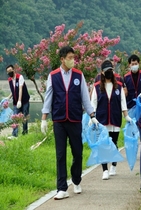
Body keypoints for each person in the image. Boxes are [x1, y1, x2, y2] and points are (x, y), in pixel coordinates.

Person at [40, 46, 95, 200]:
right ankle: (62, 188)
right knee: (60, 154)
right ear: (62, 59)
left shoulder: (78, 75)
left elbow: (85, 96)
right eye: (70, 57)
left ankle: (76, 180)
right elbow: (48, 97)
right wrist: (44, 118)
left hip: (75, 118)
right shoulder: (53, 75)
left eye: (73, 57)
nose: (72, 60)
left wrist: (92, 115)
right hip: (59, 119)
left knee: (77, 152)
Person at [90, 60, 132, 180]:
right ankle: (105, 170)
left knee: (114, 143)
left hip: (115, 117)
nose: (110, 72)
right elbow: (93, 103)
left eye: (111, 70)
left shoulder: (118, 85)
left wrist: (126, 115)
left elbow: (123, 102)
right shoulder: (97, 86)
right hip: (102, 119)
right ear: (102, 72)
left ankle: (113, 164)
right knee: (103, 144)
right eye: (107, 71)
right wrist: (92, 117)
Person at [5, 64, 30, 137]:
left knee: (24, 117)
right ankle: (14, 135)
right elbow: (13, 90)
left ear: (13, 70)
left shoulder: (20, 77)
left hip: (24, 101)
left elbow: (20, 89)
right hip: (15, 102)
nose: (9, 72)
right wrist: (8, 97)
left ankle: (25, 133)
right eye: (8, 72)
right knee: (15, 118)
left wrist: (20, 100)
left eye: (10, 70)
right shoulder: (9, 80)